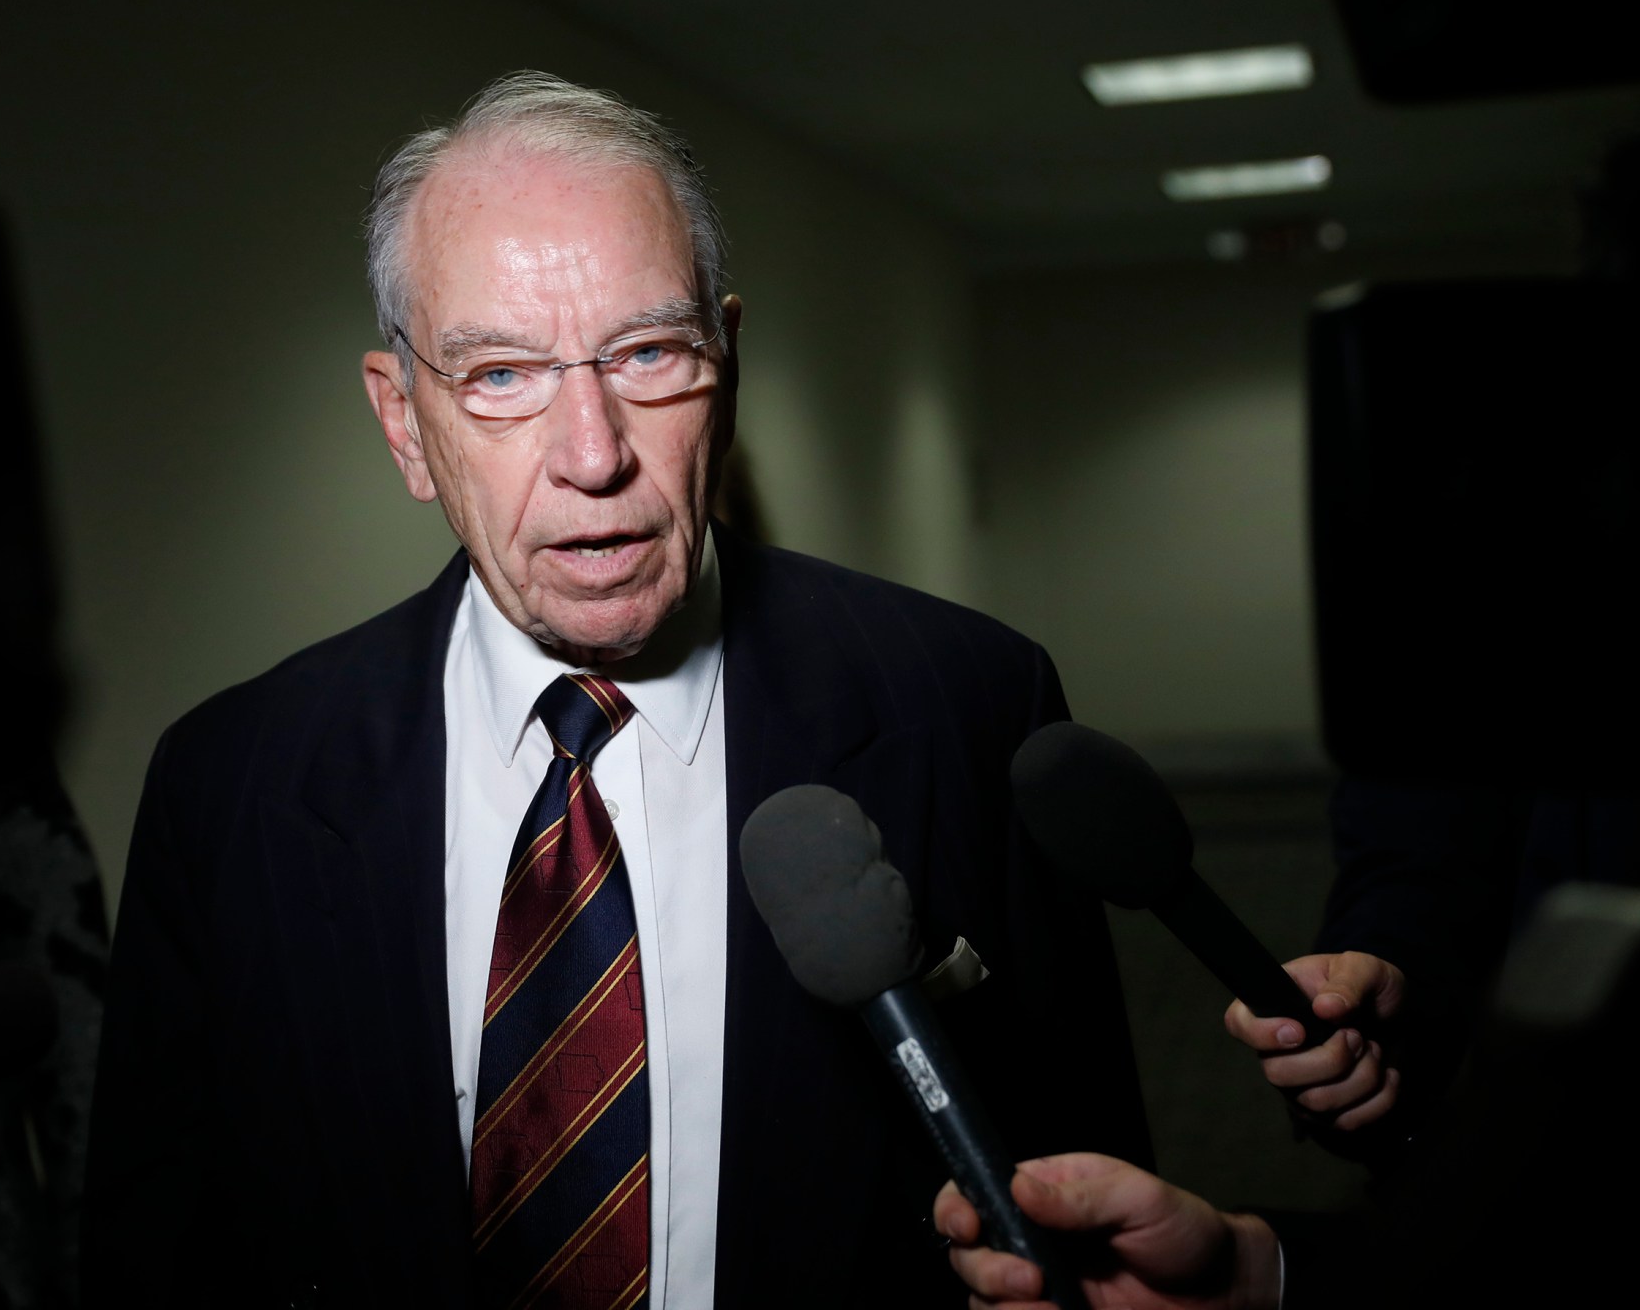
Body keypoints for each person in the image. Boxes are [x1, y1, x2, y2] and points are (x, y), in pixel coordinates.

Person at [80, 72, 1151, 1307]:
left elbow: (1097, 1215)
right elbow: (155, 1252)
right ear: (402, 422)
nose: (593, 455)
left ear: (728, 367)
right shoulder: (231, 784)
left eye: (649, 353)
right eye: (499, 376)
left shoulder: (972, 704)